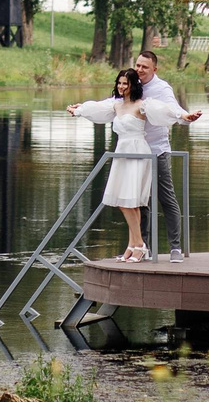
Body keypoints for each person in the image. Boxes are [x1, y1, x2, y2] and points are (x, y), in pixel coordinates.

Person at [67, 66, 185, 261]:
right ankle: (133, 244)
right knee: (128, 201)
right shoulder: (116, 104)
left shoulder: (143, 104)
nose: (121, 87)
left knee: (130, 200)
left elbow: (166, 111)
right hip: (122, 152)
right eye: (119, 83)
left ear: (133, 85)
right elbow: (96, 107)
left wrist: (183, 116)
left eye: (125, 83)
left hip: (138, 151)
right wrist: (78, 110)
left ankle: (139, 245)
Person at [133, 47, 200, 259]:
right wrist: (83, 110)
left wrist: (185, 116)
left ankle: (175, 248)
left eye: (144, 66)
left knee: (166, 198)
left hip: (157, 151)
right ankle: (143, 247)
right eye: (138, 65)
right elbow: (114, 104)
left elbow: (173, 108)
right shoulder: (132, 85)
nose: (140, 69)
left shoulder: (162, 88)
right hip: (136, 153)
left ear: (154, 68)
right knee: (140, 201)